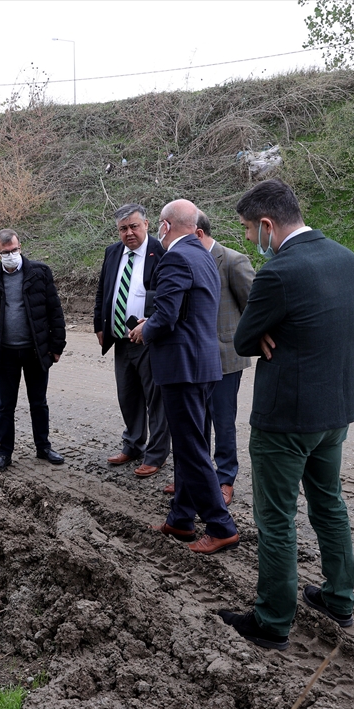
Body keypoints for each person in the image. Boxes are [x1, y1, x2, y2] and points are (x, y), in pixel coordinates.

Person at [219, 178, 354, 651]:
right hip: (335, 410)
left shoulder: (279, 272)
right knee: (329, 504)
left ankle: (272, 620)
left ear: (267, 224)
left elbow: (242, 340)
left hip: (285, 419)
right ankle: (340, 597)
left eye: (247, 229)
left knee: (276, 518)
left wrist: (263, 331)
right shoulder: (345, 258)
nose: (247, 239)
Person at [130, 199, 239, 554]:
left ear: (164, 226)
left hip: (182, 368)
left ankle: (221, 526)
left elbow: (168, 315)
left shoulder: (176, 257)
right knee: (192, 441)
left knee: (191, 449)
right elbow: (189, 311)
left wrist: (147, 329)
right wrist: (158, 320)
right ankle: (180, 519)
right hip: (203, 364)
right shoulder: (204, 254)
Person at [163, 212, 254, 505]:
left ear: (199, 233)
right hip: (194, 360)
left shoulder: (232, 260)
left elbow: (252, 308)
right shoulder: (186, 259)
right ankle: (190, 480)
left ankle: (225, 479)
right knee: (194, 424)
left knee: (223, 422)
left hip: (226, 358)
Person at [0, 229, 67, 472]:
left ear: (21, 247)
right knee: (5, 406)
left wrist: (57, 346)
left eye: (14, 250)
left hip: (36, 351)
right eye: (6, 252)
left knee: (39, 403)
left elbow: (54, 311)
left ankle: (43, 447)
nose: (11, 255)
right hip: (5, 354)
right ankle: (4, 453)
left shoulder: (39, 273)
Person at [93, 204, 170, 477]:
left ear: (147, 225)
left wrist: (152, 325)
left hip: (150, 340)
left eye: (134, 226)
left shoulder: (161, 252)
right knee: (128, 395)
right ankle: (133, 444)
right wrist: (99, 325)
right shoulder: (113, 252)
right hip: (120, 339)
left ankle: (156, 454)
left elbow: (169, 297)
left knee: (155, 400)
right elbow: (104, 289)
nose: (129, 233)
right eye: (123, 229)